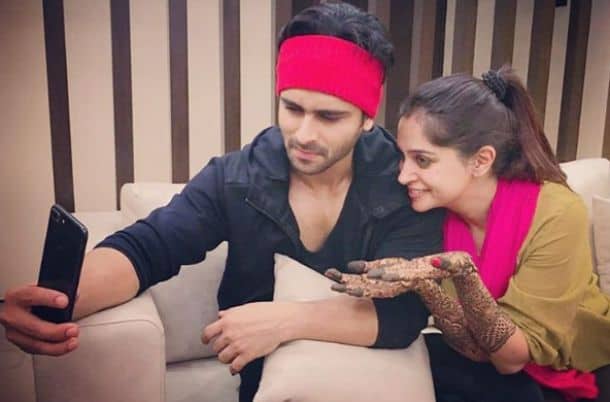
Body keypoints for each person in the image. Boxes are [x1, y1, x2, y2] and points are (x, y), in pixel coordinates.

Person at [0, 4, 443, 402]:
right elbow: (147, 247)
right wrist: (55, 303)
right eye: (292, 108)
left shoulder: (405, 186)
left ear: (367, 118)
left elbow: (403, 313)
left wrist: (284, 320)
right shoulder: (237, 178)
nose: (304, 134)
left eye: (329, 116)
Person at [327, 66, 610, 402]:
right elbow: (468, 345)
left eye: (422, 160)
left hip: (577, 366)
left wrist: (458, 274)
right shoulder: (428, 212)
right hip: (482, 361)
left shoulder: (558, 213)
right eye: (402, 158)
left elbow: (512, 358)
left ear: (481, 161)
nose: (403, 176)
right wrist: (425, 284)